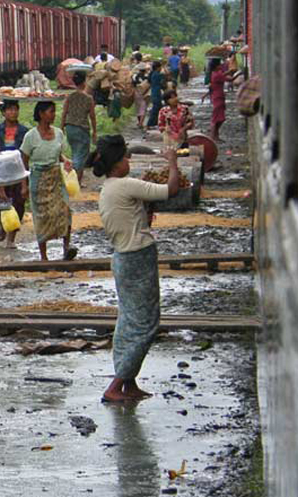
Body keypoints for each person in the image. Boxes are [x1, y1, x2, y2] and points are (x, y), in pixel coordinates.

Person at [90, 135, 181, 402]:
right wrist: (173, 162)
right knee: (145, 323)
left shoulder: (108, 188)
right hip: (137, 257)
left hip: (123, 256)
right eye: (126, 158)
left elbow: (133, 216)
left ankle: (128, 383)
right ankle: (116, 385)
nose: (129, 162)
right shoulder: (126, 185)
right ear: (117, 164)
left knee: (129, 319)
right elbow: (170, 190)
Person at [20, 101, 77, 262]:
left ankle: (66, 248)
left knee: (64, 210)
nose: (53, 115)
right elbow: (23, 161)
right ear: (41, 114)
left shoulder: (58, 133)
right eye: (50, 112)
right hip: (38, 179)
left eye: (54, 111)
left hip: (56, 177)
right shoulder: (30, 136)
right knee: (42, 216)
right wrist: (24, 185)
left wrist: (65, 160)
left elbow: (59, 154)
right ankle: (43, 256)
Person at [0, 101, 29, 248]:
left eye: (15, 109)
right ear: (3, 112)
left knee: (18, 204)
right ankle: (1, 226)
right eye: (9, 110)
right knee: (0, 203)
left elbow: (26, 157)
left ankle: (11, 239)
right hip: (1, 173)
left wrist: (25, 183)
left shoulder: (24, 132)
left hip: (18, 173)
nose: (13, 113)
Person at [61, 71, 97, 186]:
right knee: (81, 156)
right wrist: (94, 131)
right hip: (82, 129)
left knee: (75, 153)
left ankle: (76, 181)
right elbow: (92, 117)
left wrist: (62, 127)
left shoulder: (69, 96)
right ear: (84, 82)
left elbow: (64, 113)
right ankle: (74, 180)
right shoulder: (88, 98)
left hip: (70, 128)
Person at [201, 58, 229, 142]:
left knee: (220, 117)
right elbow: (229, 79)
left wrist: (205, 95)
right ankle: (213, 136)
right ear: (217, 66)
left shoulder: (214, 73)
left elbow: (212, 87)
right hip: (218, 97)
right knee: (216, 118)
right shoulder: (217, 75)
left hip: (217, 96)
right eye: (220, 64)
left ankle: (215, 135)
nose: (221, 65)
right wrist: (237, 74)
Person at [147, 61, 165, 128]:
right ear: (158, 67)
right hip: (156, 92)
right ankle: (150, 123)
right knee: (156, 109)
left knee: (158, 108)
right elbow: (165, 78)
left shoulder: (153, 74)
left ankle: (156, 123)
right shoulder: (157, 75)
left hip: (154, 92)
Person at [132, 63, 150, 130]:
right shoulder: (147, 76)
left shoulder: (135, 76)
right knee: (143, 108)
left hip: (137, 92)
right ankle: (140, 123)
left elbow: (133, 84)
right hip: (145, 93)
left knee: (138, 108)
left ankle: (139, 122)